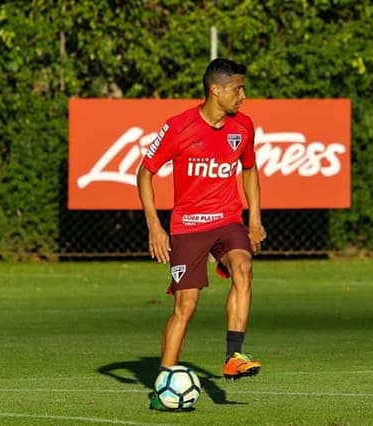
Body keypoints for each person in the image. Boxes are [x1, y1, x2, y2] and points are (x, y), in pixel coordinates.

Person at [137, 58, 267, 410]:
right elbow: (144, 173)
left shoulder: (244, 127)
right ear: (216, 90)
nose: (243, 95)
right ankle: (164, 382)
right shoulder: (179, 128)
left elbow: (250, 170)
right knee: (186, 305)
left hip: (227, 220)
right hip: (188, 226)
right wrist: (154, 225)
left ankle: (234, 355)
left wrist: (254, 218)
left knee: (243, 266)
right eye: (237, 88)